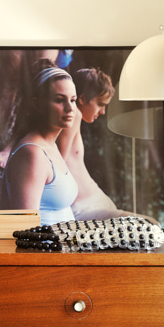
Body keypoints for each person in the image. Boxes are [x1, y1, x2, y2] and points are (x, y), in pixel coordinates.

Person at [4, 63, 79, 225]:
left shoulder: (51, 146)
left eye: (73, 100)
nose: (69, 108)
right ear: (37, 104)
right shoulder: (32, 154)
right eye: (60, 100)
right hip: (46, 249)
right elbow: (25, 228)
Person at [58, 67, 127, 220]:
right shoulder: (74, 114)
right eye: (100, 104)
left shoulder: (75, 117)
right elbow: (57, 166)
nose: (103, 111)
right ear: (82, 99)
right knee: (150, 225)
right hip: (84, 207)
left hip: (95, 201)